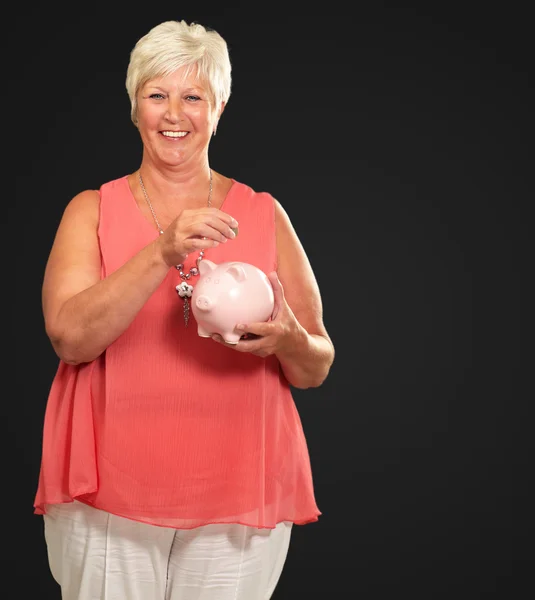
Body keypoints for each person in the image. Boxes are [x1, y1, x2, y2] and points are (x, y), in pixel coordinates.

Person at [33, 19, 335, 600]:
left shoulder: (264, 213)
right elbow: (70, 339)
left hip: (239, 486)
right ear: (134, 107)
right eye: (157, 95)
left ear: (218, 108)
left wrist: (289, 339)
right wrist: (161, 251)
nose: (175, 114)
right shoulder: (91, 210)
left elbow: (315, 364)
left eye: (193, 96)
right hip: (108, 492)